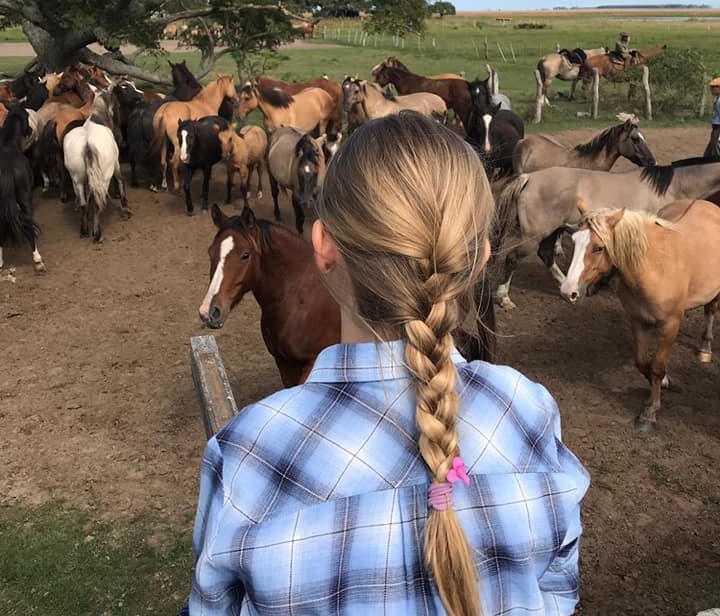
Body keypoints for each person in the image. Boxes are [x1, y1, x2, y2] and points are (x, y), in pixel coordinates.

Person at [183, 114, 589, 616]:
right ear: (481, 256)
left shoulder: (250, 455)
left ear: (324, 246)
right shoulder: (528, 412)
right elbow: (559, 591)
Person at [704, 76, 720, 159]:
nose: (711, 89)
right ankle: (706, 160)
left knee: (715, 145)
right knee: (711, 147)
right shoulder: (718, 99)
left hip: (718, 127)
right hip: (716, 126)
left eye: (713, 87)